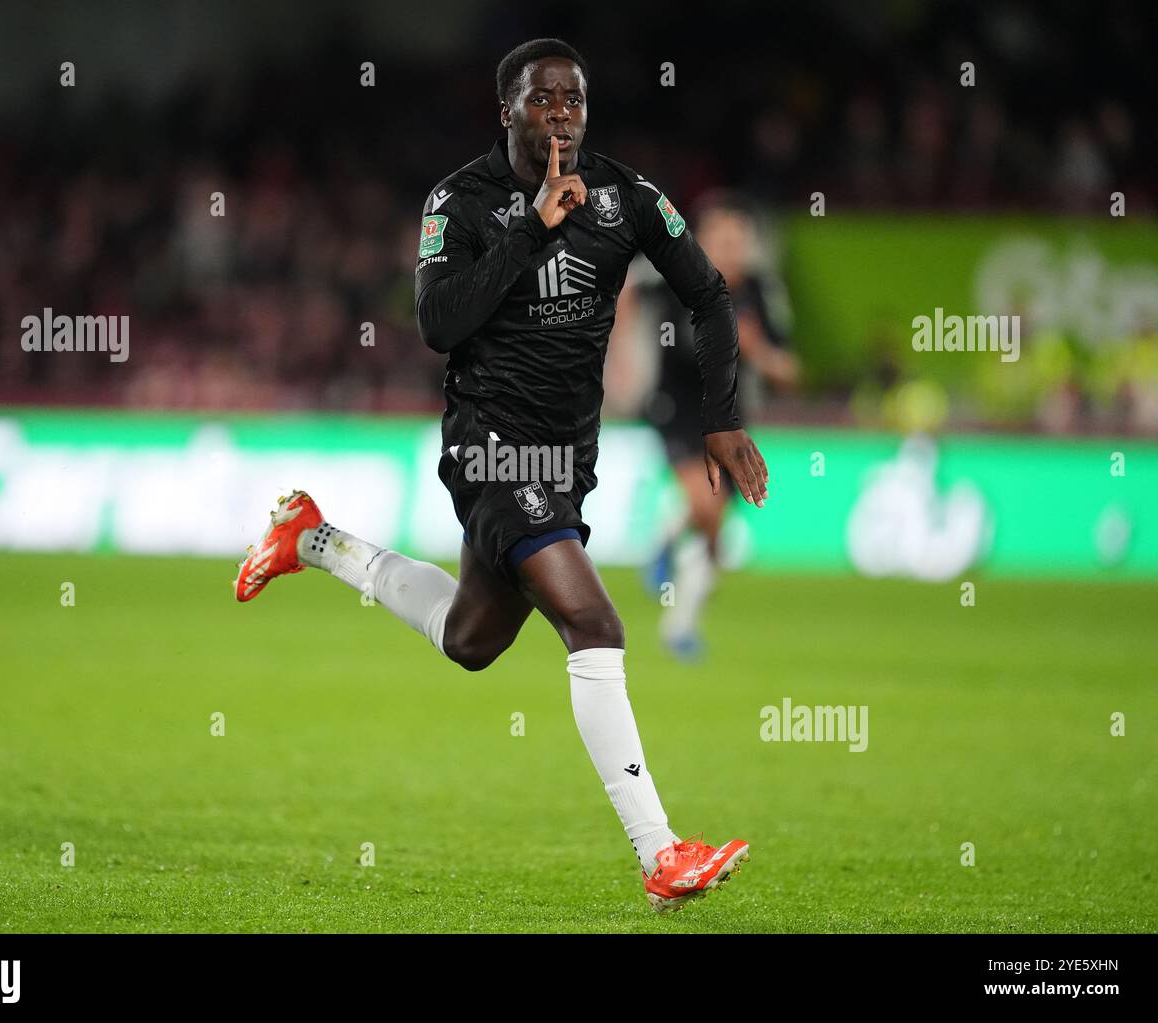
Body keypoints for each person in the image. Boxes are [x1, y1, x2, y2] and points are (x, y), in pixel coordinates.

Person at [234, 38, 769, 913]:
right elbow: (440, 322)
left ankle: (313, 538)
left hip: (567, 459)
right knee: (594, 622)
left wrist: (722, 416)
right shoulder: (463, 199)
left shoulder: (628, 197)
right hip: (489, 446)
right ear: (507, 109)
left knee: (471, 639)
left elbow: (710, 295)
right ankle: (661, 854)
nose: (561, 115)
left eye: (574, 101)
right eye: (542, 100)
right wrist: (530, 228)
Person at [612, 192, 799, 660]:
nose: (731, 250)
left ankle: (680, 622)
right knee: (705, 500)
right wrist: (622, 354)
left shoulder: (760, 292)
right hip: (675, 406)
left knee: (715, 535)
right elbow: (625, 283)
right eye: (721, 239)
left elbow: (789, 370)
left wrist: (759, 353)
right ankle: (667, 545)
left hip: (730, 418)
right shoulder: (677, 272)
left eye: (739, 241)